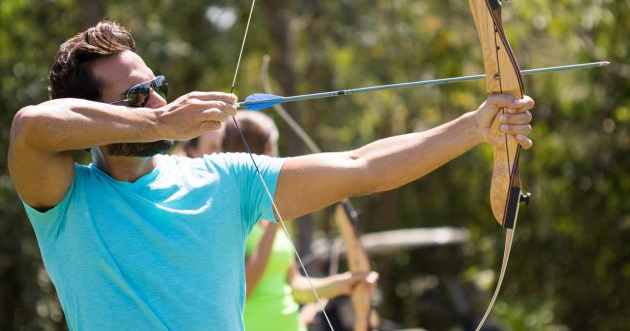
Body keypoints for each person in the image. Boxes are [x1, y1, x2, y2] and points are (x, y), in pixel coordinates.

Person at [7, 20, 534, 330]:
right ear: (96, 112)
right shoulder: (66, 200)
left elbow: (361, 166)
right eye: (138, 95)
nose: (161, 100)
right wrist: (159, 122)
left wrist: (474, 128)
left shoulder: (226, 180)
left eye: (157, 85)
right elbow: (32, 126)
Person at [218, 111, 378, 331]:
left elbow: (294, 285)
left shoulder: (271, 221)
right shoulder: (233, 214)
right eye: (274, 146)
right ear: (264, 151)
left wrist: (344, 283)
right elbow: (246, 288)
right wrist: (275, 216)